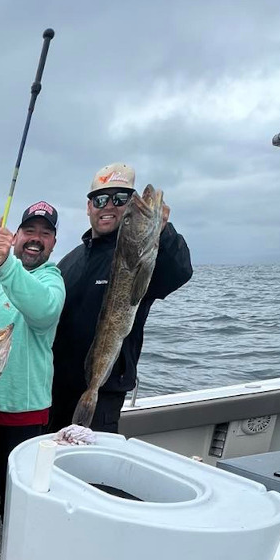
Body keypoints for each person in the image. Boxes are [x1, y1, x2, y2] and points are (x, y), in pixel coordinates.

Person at [49, 162, 193, 432]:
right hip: (55, 392)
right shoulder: (69, 263)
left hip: (104, 394)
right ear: (89, 207)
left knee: (89, 472)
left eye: (120, 198)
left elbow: (180, 271)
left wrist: (165, 232)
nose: (108, 206)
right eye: (100, 199)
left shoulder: (145, 257)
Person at [0, 201, 66, 530]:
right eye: (29, 231)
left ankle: (16, 531)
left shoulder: (52, 282)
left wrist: (7, 264)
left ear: (53, 242)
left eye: (45, 233)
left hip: (26, 409)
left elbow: (42, 309)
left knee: (19, 490)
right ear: (16, 236)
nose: (36, 239)